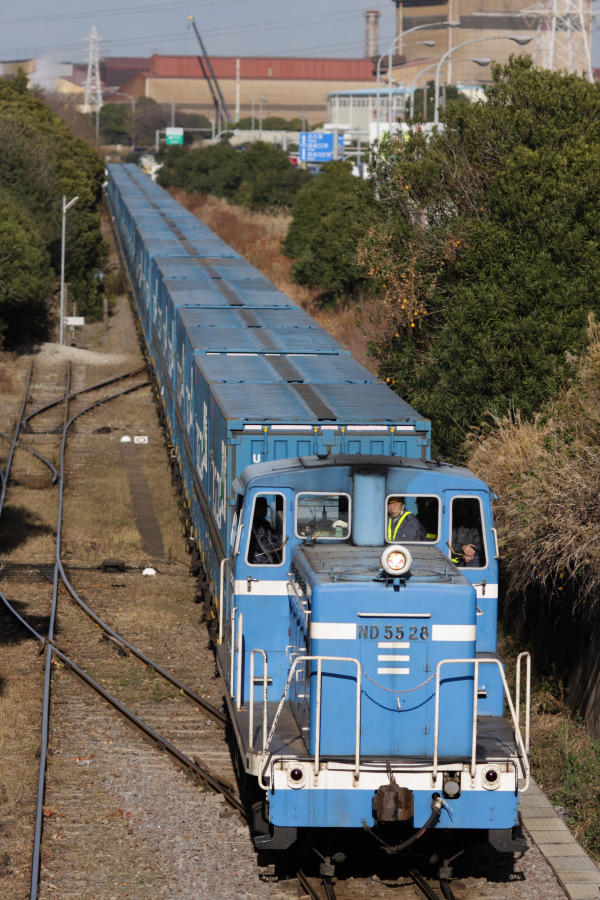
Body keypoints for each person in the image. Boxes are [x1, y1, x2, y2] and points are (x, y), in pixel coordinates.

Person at [249, 497, 281, 565]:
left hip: (266, 560)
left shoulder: (264, 523)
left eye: (265, 509)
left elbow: (272, 536)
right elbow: (265, 547)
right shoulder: (256, 526)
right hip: (260, 562)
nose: (264, 512)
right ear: (255, 510)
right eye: (260, 509)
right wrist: (280, 543)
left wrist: (280, 538)